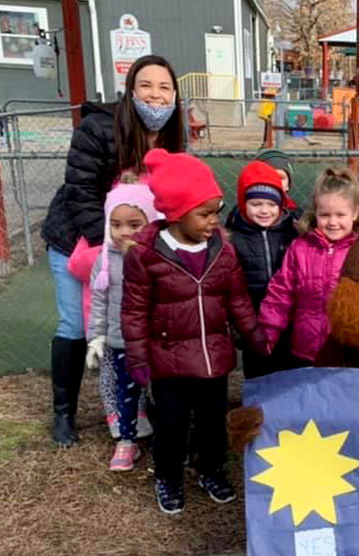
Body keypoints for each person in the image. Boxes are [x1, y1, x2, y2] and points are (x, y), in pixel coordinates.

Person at [42, 55, 184, 447]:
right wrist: (110, 247)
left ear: (174, 94)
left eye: (164, 87)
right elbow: (81, 191)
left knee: (134, 325)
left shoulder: (172, 139)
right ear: (131, 90)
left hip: (133, 247)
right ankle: (64, 413)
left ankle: (135, 405)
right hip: (80, 240)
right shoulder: (98, 128)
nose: (155, 95)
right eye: (146, 85)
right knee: (76, 324)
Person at [121, 149, 269, 515]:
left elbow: (236, 299)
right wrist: (138, 357)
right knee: (171, 426)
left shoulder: (223, 250)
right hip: (169, 364)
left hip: (214, 359)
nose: (212, 221)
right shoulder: (146, 255)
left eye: (216, 212)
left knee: (212, 424)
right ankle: (168, 478)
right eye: (204, 213)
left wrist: (253, 334)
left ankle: (211, 470)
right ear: (175, 213)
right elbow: (135, 311)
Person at [85, 179, 159, 471]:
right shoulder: (104, 261)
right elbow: (99, 303)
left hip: (156, 341)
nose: (123, 232)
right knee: (126, 392)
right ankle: (127, 441)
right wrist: (96, 337)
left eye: (134, 224)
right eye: (116, 224)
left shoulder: (158, 257)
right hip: (120, 341)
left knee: (164, 393)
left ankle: (168, 438)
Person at [259, 168, 359, 365]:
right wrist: (268, 331)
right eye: (325, 215)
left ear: (355, 213)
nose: (333, 222)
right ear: (315, 212)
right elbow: (281, 292)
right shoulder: (300, 248)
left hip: (348, 349)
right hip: (305, 349)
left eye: (340, 214)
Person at [225, 160, 298, 378]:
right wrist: (240, 328)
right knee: (258, 378)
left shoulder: (293, 233)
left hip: (289, 324)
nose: (265, 210)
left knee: (290, 378)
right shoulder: (233, 239)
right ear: (243, 203)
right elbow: (231, 289)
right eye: (256, 204)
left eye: (271, 204)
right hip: (253, 326)